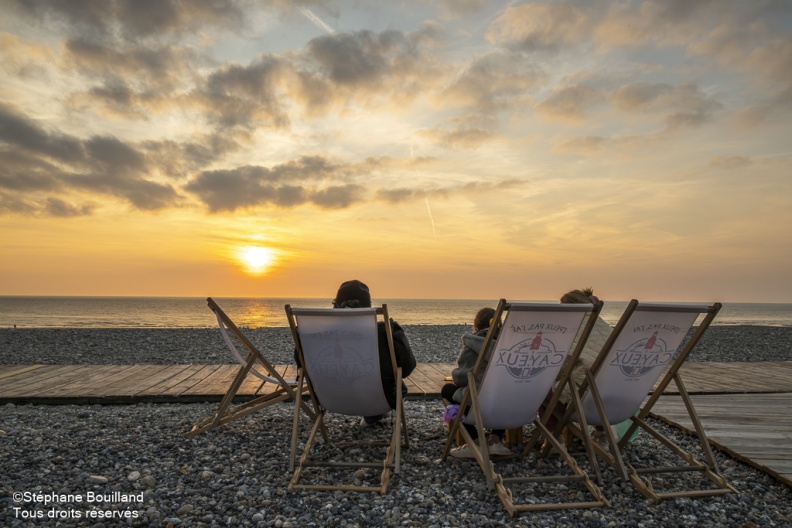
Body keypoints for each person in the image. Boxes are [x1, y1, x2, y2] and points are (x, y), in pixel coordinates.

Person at [295, 279, 416, 427]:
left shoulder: (311, 333)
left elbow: (301, 366)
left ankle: (372, 415)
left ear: (336, 304)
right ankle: (373, 414)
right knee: (389, 381)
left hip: (330, 399)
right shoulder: (387, 332)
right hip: (381, 399)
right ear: (368, 306)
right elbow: (407, 368)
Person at [543, 287, 613, 446]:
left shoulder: (572, 330)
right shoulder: (606, 329)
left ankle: (554, 439)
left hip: (584, 401)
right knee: (591, 382)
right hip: (613, 398)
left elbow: (559, 366)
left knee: (542, 390)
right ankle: (602, 434)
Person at [441, 307, 511, 458]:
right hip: (507, 405)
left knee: (448, 390)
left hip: (479, 404)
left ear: (477, 326)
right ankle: (495, 440)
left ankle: (476, 442)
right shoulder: (511, 344)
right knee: (503, 391)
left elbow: (461, 379)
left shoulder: (474, 343)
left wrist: (455, 374)